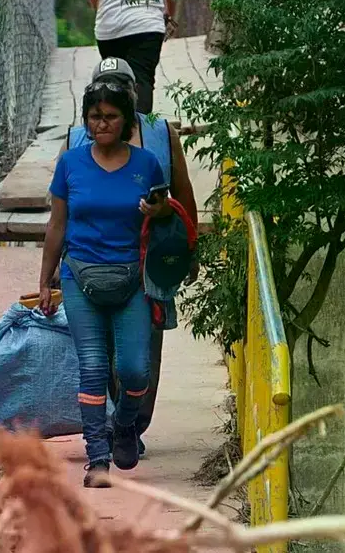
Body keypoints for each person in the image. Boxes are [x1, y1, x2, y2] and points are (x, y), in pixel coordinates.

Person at [60, 58, 200, 459]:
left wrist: (189, 248)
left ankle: (133, 423)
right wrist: (55, 268)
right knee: (98, 350)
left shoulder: (159, 133)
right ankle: (111, 424)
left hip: (146, 261)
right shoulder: (75, 140)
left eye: (119, 85)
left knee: (143, 348)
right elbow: (62, 209)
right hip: (90, 262)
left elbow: (182, 191)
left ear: (132, 93)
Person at [39, 80, 170, 488]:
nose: (102, 124)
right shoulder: (70, 163)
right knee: (93, 368)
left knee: (134, 369)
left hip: (132, 278)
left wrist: (159, 209)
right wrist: (45, 280)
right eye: (95, 117)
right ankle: (97, 457)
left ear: (127, 121)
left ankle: (125, 426)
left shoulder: (146, 164)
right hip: (81, 277)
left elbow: (165, 217)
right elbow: (57, 223)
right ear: (86, 120)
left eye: (111, 116)